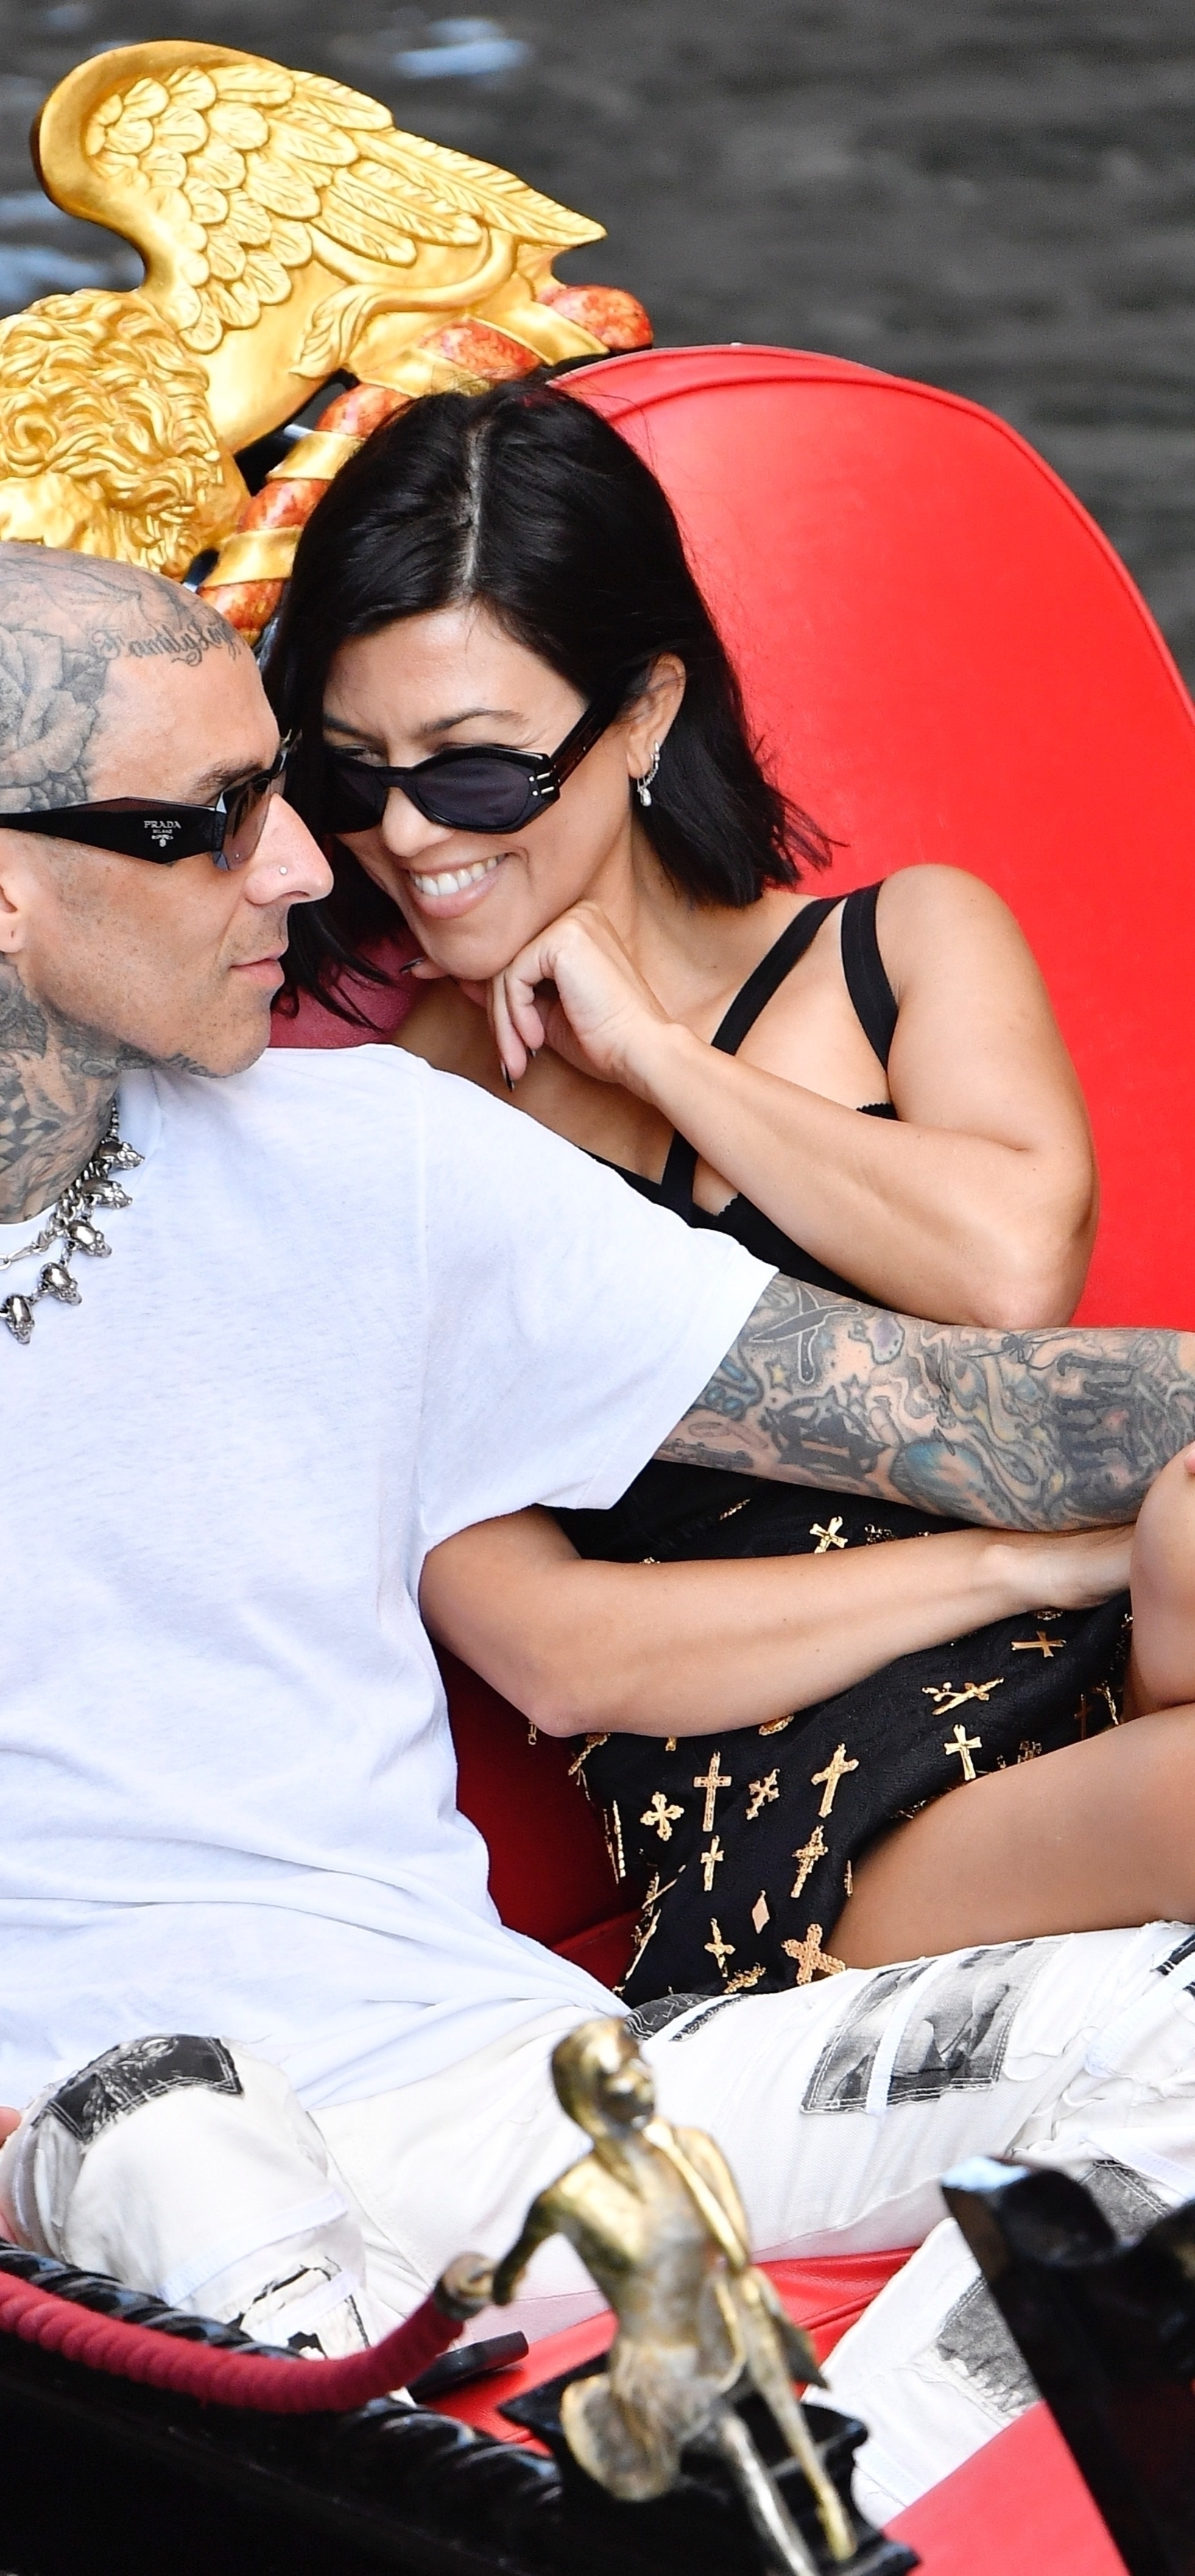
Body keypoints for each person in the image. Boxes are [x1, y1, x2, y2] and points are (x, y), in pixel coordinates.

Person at [0, 545, 1195, 2520]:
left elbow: (961, 1415)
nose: (304, 866)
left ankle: (820, 2512)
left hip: (526, 2089)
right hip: (108, 2160)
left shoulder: (377, 1162)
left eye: (274, 786)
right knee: (160, 2104)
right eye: (207, 825)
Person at [269, 370, 1177, 1999]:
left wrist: (663, 1059)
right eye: (352, 776)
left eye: (473, 771)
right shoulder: (386, 1129)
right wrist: (1038, 1559)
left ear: (641, 716)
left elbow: (1006, 1272)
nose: (406, 837)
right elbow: (550, 1650)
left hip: (1122, 1670)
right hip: (820, 1820)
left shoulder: (905, 945)